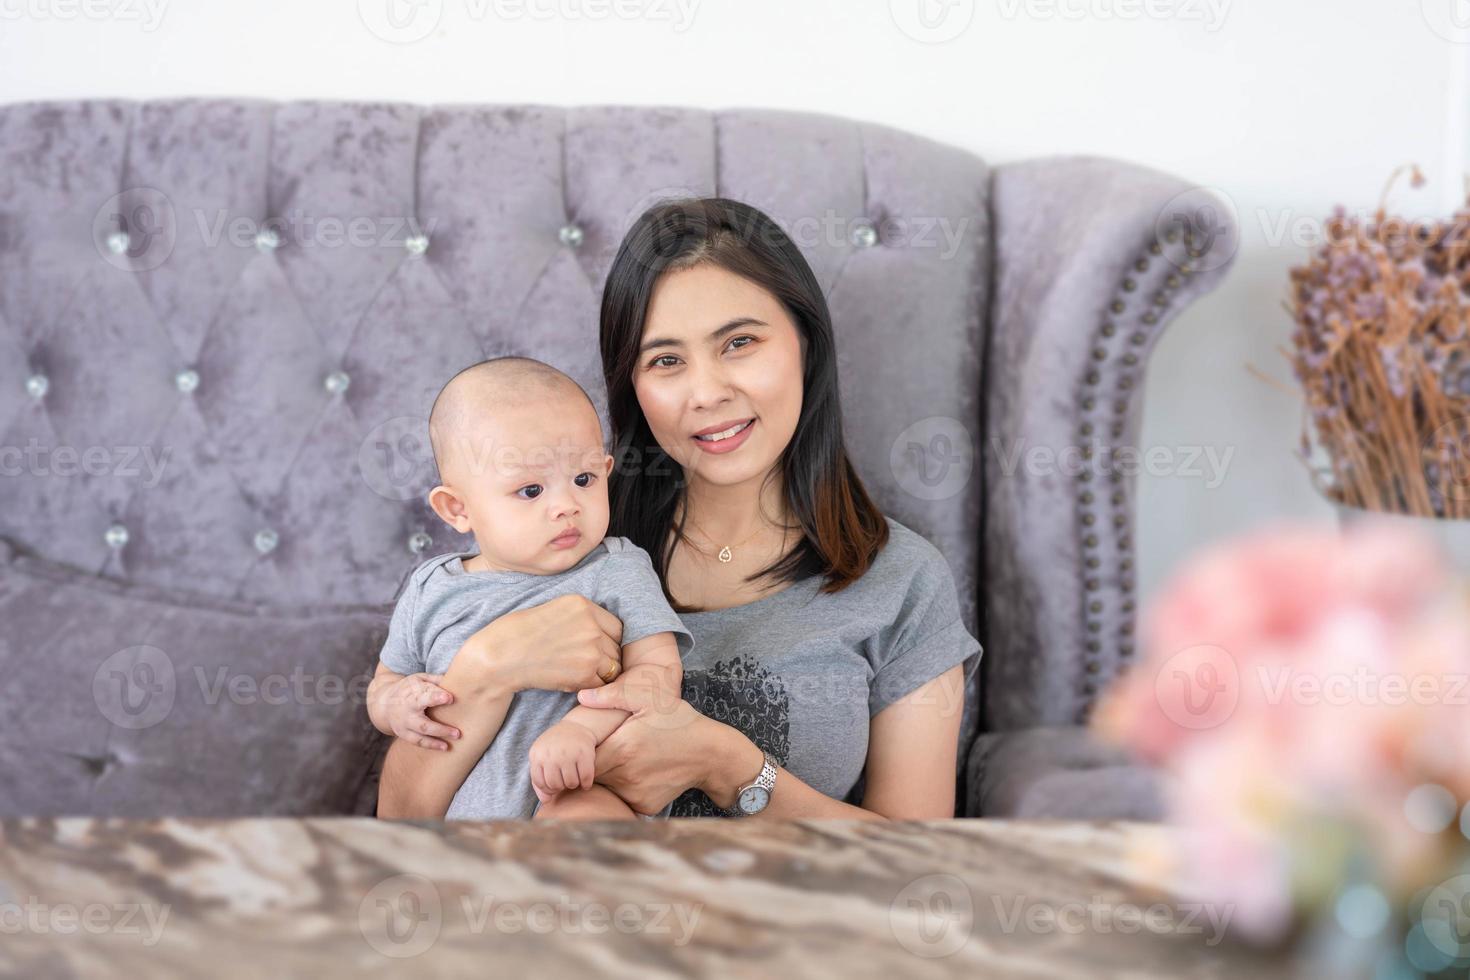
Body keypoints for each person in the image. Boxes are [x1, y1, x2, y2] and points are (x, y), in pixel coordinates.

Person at [378, 197, 982, 820]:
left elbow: (916, 868)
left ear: (806, 343)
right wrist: (486, 668)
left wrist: (726, 766)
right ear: (632, 385)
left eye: (740, 342)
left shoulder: (902, 581)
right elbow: (396, 831)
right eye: (665, 360)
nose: (708, 393)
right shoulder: (560, 544)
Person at [369, 356, 692, 820]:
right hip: (457, 823)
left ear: (605, 471)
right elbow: (386, 682)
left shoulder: (615, 569)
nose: (566, 506)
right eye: (530, 491)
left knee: (586, 817)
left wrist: (581, 730)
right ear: (457, 509)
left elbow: (658, 677)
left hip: (578, 789)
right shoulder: (432, 589)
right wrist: (394, 707)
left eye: (583, 480)